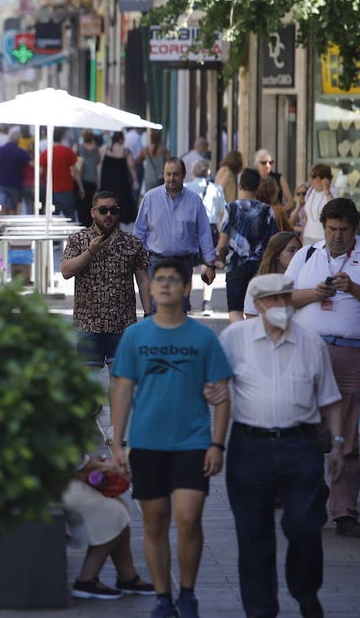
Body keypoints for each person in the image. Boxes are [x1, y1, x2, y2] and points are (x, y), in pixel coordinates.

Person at [110, 259, 233, 618]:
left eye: (172, 280)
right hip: (147, 443)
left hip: (192, 443)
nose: (164, 285)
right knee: (154, 521)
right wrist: (118, 444)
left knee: (189, 518)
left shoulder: (203, 337)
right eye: (159, 280)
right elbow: (121, 391)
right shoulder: (135, 336)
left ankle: (188, 593)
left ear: (185, 289)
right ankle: (163, 597)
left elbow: (222, 394)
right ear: (150, 288)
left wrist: (217, 443)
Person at [219, 273, 344, 618]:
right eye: (273, 300)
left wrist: (336, 443)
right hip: (250, 446)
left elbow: (330, 398)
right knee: (253, 533)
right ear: (257, 305)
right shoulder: (234, 338)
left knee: (305, 525)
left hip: (300, 445)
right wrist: (212, 440)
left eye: (285, 298)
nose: (281, 306)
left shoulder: (310, 341)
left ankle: (306, 594)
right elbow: (213, 387)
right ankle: (261, 609)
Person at [283, 196, 360, 538]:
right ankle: (312, 495)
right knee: (307, 431)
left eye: (344, 229)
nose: (337, 236)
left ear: (354, 228)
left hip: (355, 355)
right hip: (310, 353)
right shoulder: (308, 254)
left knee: (349, 438)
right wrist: (313, 295)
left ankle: (344, 511)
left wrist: (355, 289)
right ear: (324, 226)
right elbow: (282, 297)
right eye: (331, 228)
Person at [61, 190, 150, 370]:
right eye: (103, 210)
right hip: (88, 325)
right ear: (93, 212)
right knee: (88, 387)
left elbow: (144, 281)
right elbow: (66, 271)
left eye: (113, 210)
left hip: (123, 325)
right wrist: (90, 252)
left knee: (122, 385)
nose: (108, 215)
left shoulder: (132, 243)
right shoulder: (78, 240)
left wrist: (149, 315)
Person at [64, 453, 155, 600]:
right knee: (113, 510)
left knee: (118, 506)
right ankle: (87, 579)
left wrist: (95, 463)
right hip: (53, 486)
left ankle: (127, 576)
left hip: (57, 482)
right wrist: (106, 466)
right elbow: (76, 460)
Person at [134, 158, 217, 313]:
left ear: (184, 175)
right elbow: (139, 232)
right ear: (163, 175)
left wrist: (210, 264)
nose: (172, 178)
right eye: (168, 174)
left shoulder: (194, 201)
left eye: (176, 174)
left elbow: (204, 234)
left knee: (181, 309)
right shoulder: (150, 198)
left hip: (183, 264)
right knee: (156, 308)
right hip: (156, 262)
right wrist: (137, 262)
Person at [216, 168, 278, 323]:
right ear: (258, 187)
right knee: (257, 310)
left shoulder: (231, 208)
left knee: (235, 310)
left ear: (240, 185)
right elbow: (274, 241)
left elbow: (222, 244)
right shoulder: (267, 210)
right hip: (260, 268)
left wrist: (220, 259)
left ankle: (241, 341)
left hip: (236, 267)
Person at [185, 160, 226, 316]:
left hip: (190, 228)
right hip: (209, 228)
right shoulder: (216, 189)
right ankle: (206, 303)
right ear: (209, 173)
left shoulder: (187, 188)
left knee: (188, 265)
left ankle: (186, 300)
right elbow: (223, 213)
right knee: (208, 264)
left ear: (194, 172)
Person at [243, 231, 303, 318]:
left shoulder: (303, 280)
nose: (297, 255)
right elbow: (250, 317)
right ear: (277, 253)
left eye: (299, 250)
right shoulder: (257, 283)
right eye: (291, 250)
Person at [39, 133, 81, 221]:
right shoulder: (67, 151)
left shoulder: (46, 152)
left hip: (52, 191)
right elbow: (75, 170)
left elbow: (41, 172)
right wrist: (81, 186)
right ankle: (73, 235)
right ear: (61, 138)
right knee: (71, 218)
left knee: (52, 219)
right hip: (67, 189)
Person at [99, 132, 138, 225]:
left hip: (107, 183)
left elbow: (100, 166)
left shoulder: (105, 149)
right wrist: (135, 180)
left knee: (107, 204)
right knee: (119, 206)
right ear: (120, 139)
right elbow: (131, 167)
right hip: (121, 184)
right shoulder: (125, 151)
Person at [0, 128, 32, 215]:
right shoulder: (21, 152)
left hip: (0, 182)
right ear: (18, 140)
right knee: (13, 208)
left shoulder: (0, 150)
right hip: (15, 184)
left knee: (0, 207)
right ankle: (11, 227)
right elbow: (32, 164)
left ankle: (2, 226)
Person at [302, 165, 333, 244]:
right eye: (311, 176)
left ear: (323, 179)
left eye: (314, 176)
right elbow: (306, 217)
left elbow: (333, 209)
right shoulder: (310, 191)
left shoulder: (331, 191)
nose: (311, 179)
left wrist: (326, 190)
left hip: (323, 237)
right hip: (308, 235)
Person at [76, 130, 102, 226]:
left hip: (81, 179)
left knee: (81, 205)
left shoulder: (78, 148)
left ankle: (82, 224)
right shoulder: (96, 149)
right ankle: (88, 224)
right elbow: (98, 162)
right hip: (92, 180)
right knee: (90, 204)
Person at [136, 130, 170, 196]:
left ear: (151, 138)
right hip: (159, 178)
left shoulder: (145, 150)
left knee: (149, 197)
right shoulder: (163, 150)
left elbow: (138, 161)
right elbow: (169, 161)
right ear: (159, 138)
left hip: (149, 178)